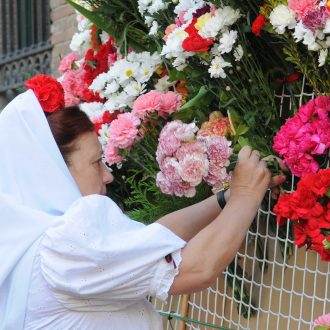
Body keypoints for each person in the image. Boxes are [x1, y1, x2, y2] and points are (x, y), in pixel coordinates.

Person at [0, 78, 285, 330]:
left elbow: (150, 238)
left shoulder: (34, 244)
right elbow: (196, 269)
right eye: (96, 163)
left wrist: (227, 198)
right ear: (52, 173)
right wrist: (247, 194)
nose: (108, 175)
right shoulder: (66, 242)